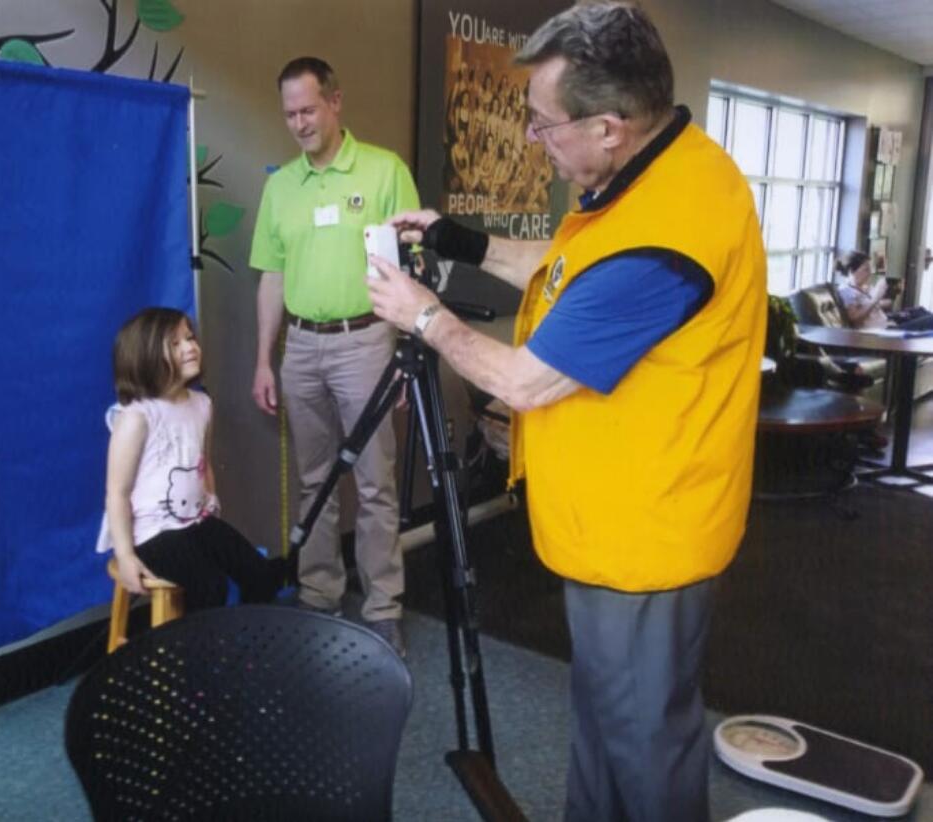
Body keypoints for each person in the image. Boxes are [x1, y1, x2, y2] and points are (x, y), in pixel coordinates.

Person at [366, 3, 766, 819]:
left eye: (544, 126)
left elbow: (521, 382)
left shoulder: (665, 241)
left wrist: (423, 316)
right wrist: (457, 239)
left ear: (610, 127)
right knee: (607, 718)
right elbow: (567, 266)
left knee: (644, 740)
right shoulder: (661, 170)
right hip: (614, 518)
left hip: (647, 536)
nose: (533, 141)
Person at [249, 57, 420, 655]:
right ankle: (320, 593)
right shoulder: (280, 186)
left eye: (308, 110)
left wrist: (405, 353)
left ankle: (382, 608)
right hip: (300, 347)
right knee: (314, 481)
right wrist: (264, 360)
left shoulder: (383, 172)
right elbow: (271, 276)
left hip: (366, 341)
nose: (299, 123)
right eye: (289, 113)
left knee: (375, 482)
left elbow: (410, 268)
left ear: (335, 102)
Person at [101, 307, 286, 609]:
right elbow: (117, 494)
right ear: (145, 355)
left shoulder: (202, 404)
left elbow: (203, 464)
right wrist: (125, 555)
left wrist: (212, 508)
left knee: (260, 574)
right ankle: (196, 653)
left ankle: (250, 643)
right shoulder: (137, 416)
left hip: (195, 521)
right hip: (152, 534)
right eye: (175, 344)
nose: (190, 347)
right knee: (208, 587)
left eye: (189, 338)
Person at [836, 250, 933, 331]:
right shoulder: (846, 291)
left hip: (887, 322)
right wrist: (875, 298)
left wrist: (888, 293)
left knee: (920, 310)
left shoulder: (861, 288)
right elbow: (855, 320)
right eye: (866, 269)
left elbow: (883, 305)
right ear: (851, 271)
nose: (870, 273)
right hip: (882, 332)